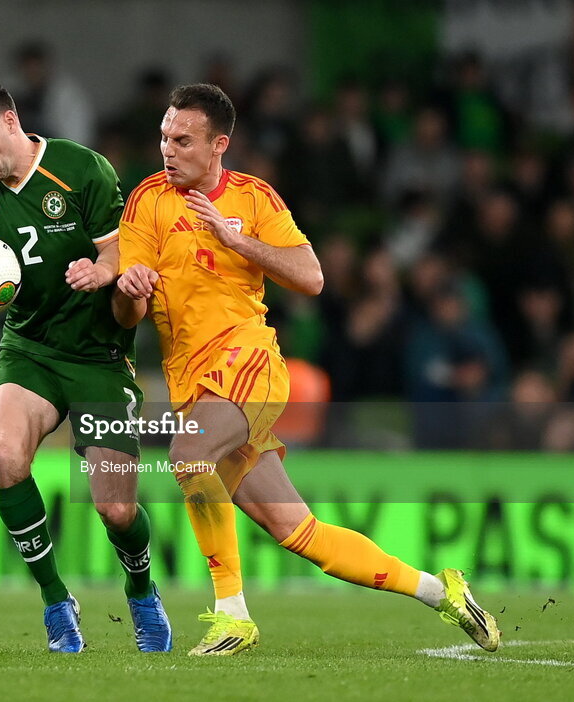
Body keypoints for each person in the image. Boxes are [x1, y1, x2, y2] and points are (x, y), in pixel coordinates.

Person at [113, 83, 500, 656]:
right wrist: (131, 286)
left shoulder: (254, 199)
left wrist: (232, 238)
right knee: (299, 534)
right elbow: (128, 312)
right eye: (165, 137)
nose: (169, 149)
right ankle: (439, 592)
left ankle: (231, 615)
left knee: (187, 453)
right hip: (191, 382)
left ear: (219, 144)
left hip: (249, 364)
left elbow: (312, 276)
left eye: (184, 140)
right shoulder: (147, 199)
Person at [0, 77, 171, 653]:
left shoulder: (81, 169)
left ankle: (141, 589)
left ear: (9, 119)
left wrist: (104, 271)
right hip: (29, 348)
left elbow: (120, 249)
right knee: (5, 457)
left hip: (99, 356)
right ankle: (56, 601)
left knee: (115, 507)